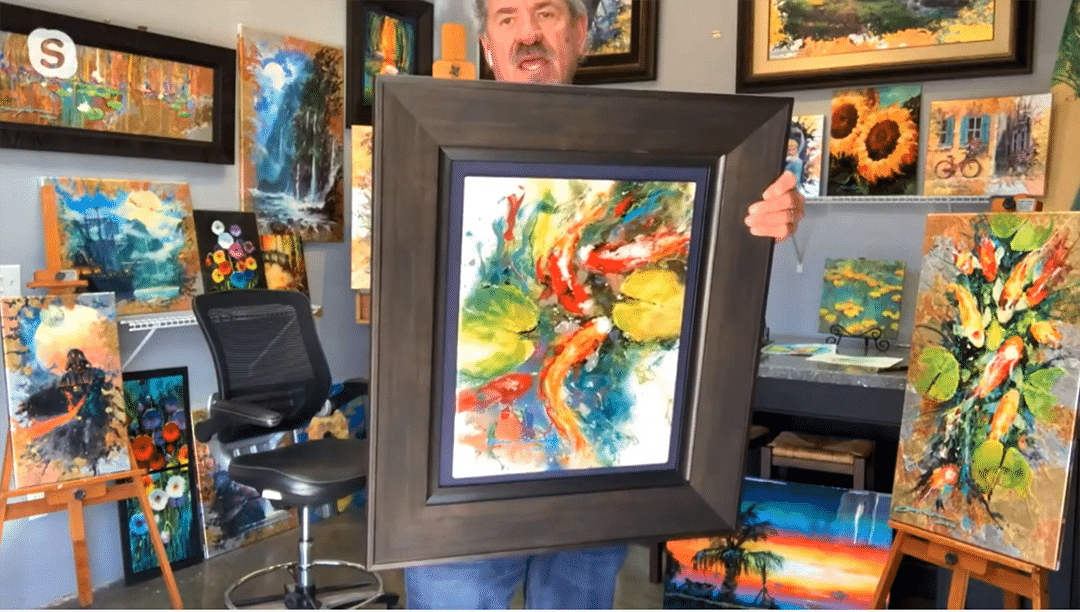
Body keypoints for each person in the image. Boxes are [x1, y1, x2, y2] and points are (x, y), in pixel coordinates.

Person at [404, 0, 806, 608]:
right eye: (507, 18)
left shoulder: (656, 149)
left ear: (580, 32)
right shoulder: (427, 143)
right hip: (459, 472)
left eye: (546, 12)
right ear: (487, 45)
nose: (527, 34)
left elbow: (709, 236)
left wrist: (768, 213)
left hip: (596, 469)